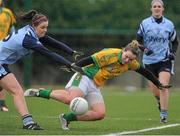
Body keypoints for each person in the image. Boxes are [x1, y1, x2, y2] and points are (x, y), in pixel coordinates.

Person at [24, 40, 171, 130]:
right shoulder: (110, 54)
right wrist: (72, 66)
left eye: (130, 59)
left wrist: (158, 84)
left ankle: (66, 118)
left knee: (100, 114)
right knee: (71, 99)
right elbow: (89, 60)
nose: (127, 61)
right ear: (123, 50)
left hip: (96, 85)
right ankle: (40, 93)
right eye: (126, 56)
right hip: (84, 76)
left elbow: (145, 72)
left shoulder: (131, 63)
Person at [0, 9, 83, 130]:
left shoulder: (31, 32)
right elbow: (48, 53)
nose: (45, 30)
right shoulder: (27, 39)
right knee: (17, 91)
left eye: (46, 27)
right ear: (34, 25)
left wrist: (71, 52)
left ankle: (27, 122)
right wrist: (69, 65)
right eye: (42, 27)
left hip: (2, 63)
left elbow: (52, 42)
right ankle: (28, 123)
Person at [136, 0, 178, 123]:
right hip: (149, 62)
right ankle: (159, 101)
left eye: (159, 6)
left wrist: (172, 53)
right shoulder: (145, 23)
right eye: (154, 6)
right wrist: (144, 49)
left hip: (164, 60)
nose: (157, 8)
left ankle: (163, 115)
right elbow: (137, 42)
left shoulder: (169, 24)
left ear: (163, 9)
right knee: (155, 91)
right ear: (151, 9)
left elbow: (175, 42)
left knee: (163, 85)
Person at [0, 0, 16, 112]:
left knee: (2, 74)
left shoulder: (7, 13)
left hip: (3, 48)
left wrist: (13, 40)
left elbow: (12, 28)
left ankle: (2, 104)